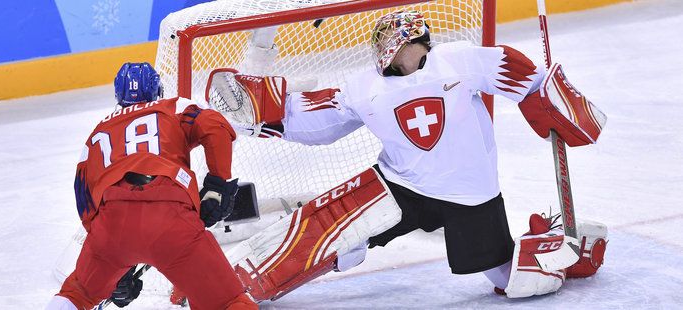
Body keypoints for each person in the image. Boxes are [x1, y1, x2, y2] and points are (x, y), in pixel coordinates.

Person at [212, 10, 608, 301]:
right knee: (339, 240)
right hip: (401, 185)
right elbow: (322, 121)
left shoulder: (458, 59)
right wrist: (268, 112)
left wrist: (554, 98)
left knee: (509, 281)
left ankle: (566, 255)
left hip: (469, 195)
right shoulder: (366, 86)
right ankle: (230, 285)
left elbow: (521, 75)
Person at [45, 63, 257, 309]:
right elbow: (216, 127)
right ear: (157, 89)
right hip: (172, 221)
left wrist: (115, 263)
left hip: (112, 226)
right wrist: (218, 185)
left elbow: (83, 195)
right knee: (228, 302)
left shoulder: (98, 132)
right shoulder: (173, 108)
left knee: (76, 294)